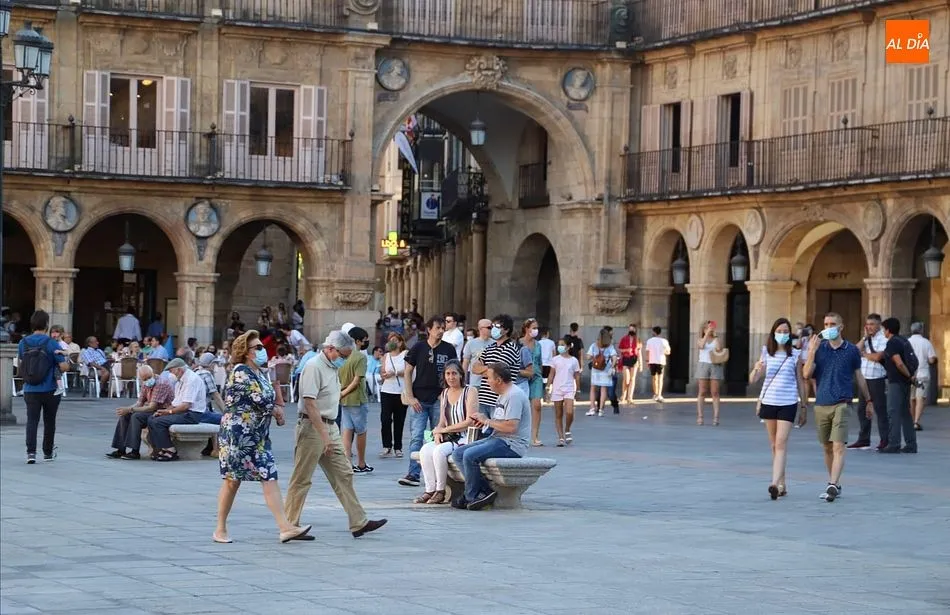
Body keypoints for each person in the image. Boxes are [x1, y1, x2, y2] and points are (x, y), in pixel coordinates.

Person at [283, 330, 388, 538]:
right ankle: (289, 525)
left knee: (344, 473)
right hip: (313, 427)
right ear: (330, 349)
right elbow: (310, 403)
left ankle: (358, 521)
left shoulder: (331, 367)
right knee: (302, 478)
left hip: (330, 425)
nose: (344, 359)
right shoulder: (314, 367)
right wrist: (324, 435)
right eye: (343, 355)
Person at [214, 330, 311, 544]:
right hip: (238, 436)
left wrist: (277, 406)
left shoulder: (260, 372)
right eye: (257, 348)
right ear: (246, 352)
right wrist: (276, 410)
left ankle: (285, 527)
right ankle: (219, 528)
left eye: (262, 347)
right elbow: (258, 399)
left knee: (269, 477)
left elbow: (272, 397)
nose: (262, 350)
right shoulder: (241, 371)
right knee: (233, 481)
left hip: (258, 436)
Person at [803, 312, 871, 502]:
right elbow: (806, 374)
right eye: (825, 324)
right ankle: (835, 483)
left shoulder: (851, 350)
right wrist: (811, 352)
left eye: (832, 324)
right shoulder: (820, 349)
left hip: (842, 403)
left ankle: (832, 484)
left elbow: (859, 376)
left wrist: (869, 399)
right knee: (827, 447)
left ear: (841, 327)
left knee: (839, 445)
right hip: (821, 403)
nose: (828, 327)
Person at [451, 362, 531, 511]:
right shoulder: (503, 395)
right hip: (498, 438)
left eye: (488, 378)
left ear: (499, 380)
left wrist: (487, 421)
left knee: (469, 455)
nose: (486, 381)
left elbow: (511, 427)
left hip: (511, 444)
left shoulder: (514, 395)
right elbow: (499, 422)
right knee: (458, 453)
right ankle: (485, 491)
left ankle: (471, 496)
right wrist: (484, 422)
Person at [749, 318, 808, 500]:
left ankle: (774, 483)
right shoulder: (767, 352)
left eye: (785, 331)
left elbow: (800, 380)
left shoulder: (795, 354)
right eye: (779, 331)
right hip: (769, 401)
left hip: (788, 401)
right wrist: (756, 369)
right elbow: (754, 379)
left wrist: (804, 405)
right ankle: (782, 483)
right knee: (774, 444)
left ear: (790, 334)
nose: (782, 334)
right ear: (773, 333)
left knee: (781, 443)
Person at [398, 316, 458, 487]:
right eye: (438, 327)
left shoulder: (448, 349)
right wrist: (409, 396)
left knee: (438, 436)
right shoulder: (419, 347)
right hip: (419, 400)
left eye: (442, 328)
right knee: (417, 436)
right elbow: (408, 371)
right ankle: (413, 473)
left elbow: (455, 373)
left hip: (440, 400)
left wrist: (447, 393)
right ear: (429, 329)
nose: (441, 331)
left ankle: (441, 475)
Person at [414, 360, 477, 505]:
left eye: (454, 373)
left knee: (439, 451)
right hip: (448, 436)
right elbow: (442, 420)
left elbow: (470, 421)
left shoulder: (470, 391)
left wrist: (444, 430)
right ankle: (429, 490)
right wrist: (437, 432)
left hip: (464, 437)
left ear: (461, 375)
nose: (451, 377)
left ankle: (440, 491)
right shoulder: (445, 393)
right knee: (425, 450)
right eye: (447, 374)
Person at [17, 310, 69, 464]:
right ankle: (47, 452)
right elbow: (64, 366)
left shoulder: (23, 343)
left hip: (30, 388)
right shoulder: (51, 343)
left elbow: (22, 363)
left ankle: (31, 453)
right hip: (50, 388)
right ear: (46, 324)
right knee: (49, 421)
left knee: (32, 421)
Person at [107, 364, 176, 460]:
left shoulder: (161, 383)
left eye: (148, 377)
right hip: (150, 409)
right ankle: (121, 449)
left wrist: (130, 409)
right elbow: (139, 402)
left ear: (153, 374)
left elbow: (152, 407)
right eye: (144, 379)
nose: (147, 380)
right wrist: (126, 409)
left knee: (136, 417)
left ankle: (134, 451)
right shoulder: (145, 383)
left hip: (162, 411)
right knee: (125, 416)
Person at [146, 358, 207, 462]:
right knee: (152, 418)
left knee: (158, 422)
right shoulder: (180, 381)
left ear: (179, 370)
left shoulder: (191, 380)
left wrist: (169, 412)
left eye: (171, 371)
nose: (170, 374)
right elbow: (175, 403)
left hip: (192, 414)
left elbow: (185, 406)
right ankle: (159, 448)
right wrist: (163, 411)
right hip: (183, 412)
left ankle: (170, 450)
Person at [880, 318, 918, 454]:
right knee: (905, 413)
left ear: (888, 330)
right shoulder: (903, 340)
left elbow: (899, 363)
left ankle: (894, 444)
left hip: (896, 381)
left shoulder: (892, 343)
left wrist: (909, 375)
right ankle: (911, 444)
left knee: (893, 412)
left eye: (884, 329)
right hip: (904, 382)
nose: (883, 332)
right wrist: (910, 377)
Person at [339, 327, 373, 473]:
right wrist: (345, 392)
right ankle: (361, 463)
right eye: (364, 340)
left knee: (347, 430)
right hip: (357, 399)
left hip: (344, 399)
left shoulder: (342, 356)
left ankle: (347, 462)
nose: (366, 342)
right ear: (357, 341)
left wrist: (340, 394)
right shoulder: (360, 357)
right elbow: (357, 380)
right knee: (361, 431)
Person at [378, 333, 408, 458]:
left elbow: (408, 371)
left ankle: (398, 447)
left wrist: (395, 373)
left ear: (400, 342)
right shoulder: (386, 356)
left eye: (395, 340)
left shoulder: (405, 354)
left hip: (400, 392)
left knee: (399, 420)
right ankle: (386, 446)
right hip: (387, 391)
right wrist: (384, 375)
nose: (392, 342)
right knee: (385, 419)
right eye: (390, 340)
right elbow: (382, 371)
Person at [548, 337, 580, 446]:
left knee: (569, 412)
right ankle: (561, 437)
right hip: (557, 388)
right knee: (558, 414)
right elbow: (551, 373)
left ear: (568, 346)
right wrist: (548, 386)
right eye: (559, 344)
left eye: (562, 344)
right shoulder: (555, 359)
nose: (560, 347)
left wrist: (578, 389)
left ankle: (567, 429)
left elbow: (577, 375)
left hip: (569, 388)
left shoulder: (574, 360)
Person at [907, 321, 938, 431]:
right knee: (921, 398)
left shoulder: (907, 342)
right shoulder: (926, 342)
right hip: (923, 374)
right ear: (921, 330)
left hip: (909, 375)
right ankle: (916, 422)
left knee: (911, 399)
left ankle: (910, 422)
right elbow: (931, 359)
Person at [519, 318, 544, 446]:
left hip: (536, 377)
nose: (536, 330)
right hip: (522, 376)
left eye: (536, 328)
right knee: (522, 406)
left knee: (537, 405)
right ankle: (522, 434)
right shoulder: (519, 343)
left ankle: (535, 436)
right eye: (533, 328)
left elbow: (540, 362)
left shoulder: (538, 345)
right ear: (526, 329)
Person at [696, 320, 724, 426]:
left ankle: (716, 417)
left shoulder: (717, 339)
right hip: (703, 364)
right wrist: (706, 334)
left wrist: (714, 335)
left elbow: (718, 348)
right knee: (702, 391)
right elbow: (701, 346)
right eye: (707, 328)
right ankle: (700, 416)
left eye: (711, 328)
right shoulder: (700, 339)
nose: (710, 329)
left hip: (715, 365)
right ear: (703, 329)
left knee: (715, 392)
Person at [586, 328, 617, 417]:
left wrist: (593, 356)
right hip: (606, 370)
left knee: (593, 389)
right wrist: (612, 366)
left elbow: (588, 357)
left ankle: (592, 408)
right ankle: (601, 410)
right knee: (604, 389)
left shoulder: (594, 345)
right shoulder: (610, 346)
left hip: (596, 370)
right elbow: (614, 357)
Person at [645, 326, 671, 402]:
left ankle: (655, 394)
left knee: (654, 378)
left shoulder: (649, 341)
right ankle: (659, 394)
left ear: (654, 332)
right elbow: (668, 352)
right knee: (660, 378)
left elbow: (647, 351)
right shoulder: (664, 341)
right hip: (661, 361)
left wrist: (647, 360)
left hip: (652, 361)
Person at [618, 324, 640, 404]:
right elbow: (620, 349)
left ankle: (630, 397)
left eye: (633, 329)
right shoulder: (624, 338)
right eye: (630, 329)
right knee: (626, 379)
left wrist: (640, 363)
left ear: (635, 330)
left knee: (632, 379)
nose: (631, 331)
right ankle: (623, 395)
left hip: (634, 359)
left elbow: (639, 352)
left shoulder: (638, 339)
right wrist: (626, 350)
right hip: (626, 359)